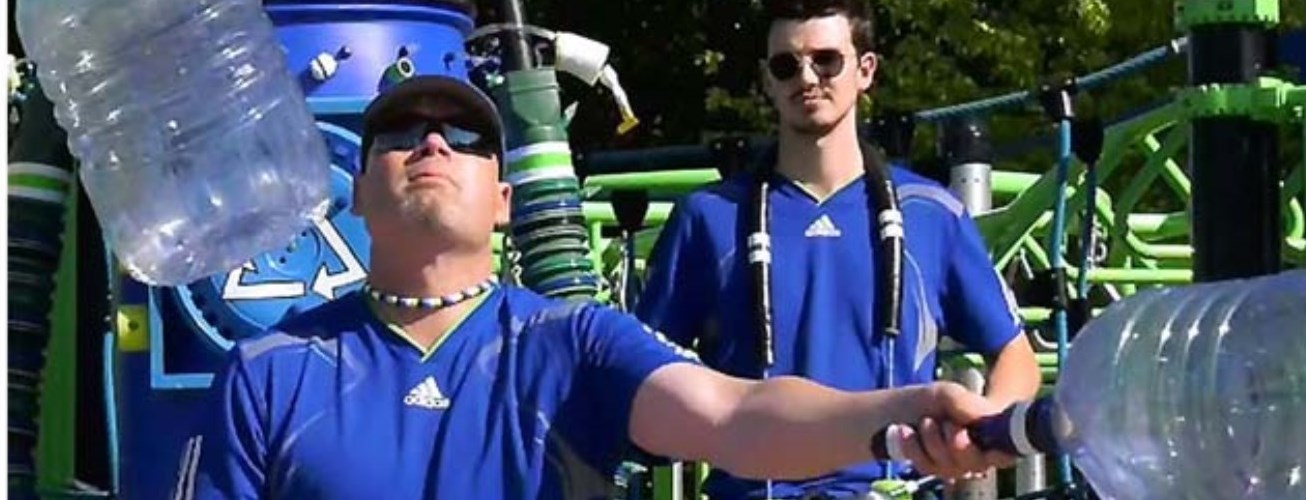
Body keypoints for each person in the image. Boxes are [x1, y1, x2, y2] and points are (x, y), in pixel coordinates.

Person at [177, 75, 1011, 499]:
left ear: (505, 202)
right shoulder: (269, 371)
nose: (431, 142)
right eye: (397, 133)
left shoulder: (573, 343)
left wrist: (891, 413)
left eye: (464, 135)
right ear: (356, 193)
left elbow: (736, 415)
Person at [635, 0, 1042, 497]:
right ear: (766, 80)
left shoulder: (930, 213)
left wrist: (983, 432)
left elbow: (1016, 354)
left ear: (865, 69)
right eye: (786, 65)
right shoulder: (709, 217)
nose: (806, 78)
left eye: (826, 60)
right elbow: (642, 376)